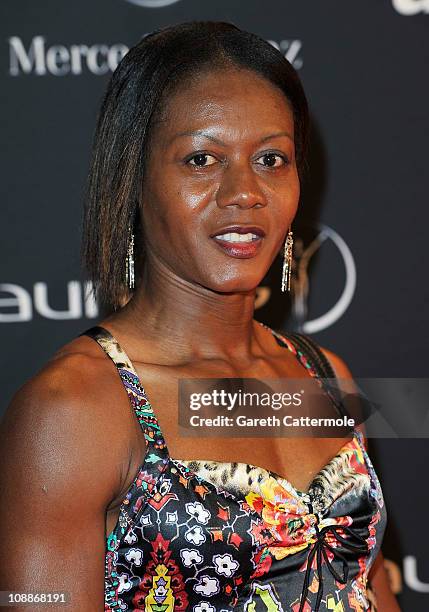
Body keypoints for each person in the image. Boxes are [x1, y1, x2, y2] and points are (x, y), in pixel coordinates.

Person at [0, 21, 400, 612]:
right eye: (201, 159)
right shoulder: (75, 409)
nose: (245, 192)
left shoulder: (322, 376)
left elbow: (366, 587)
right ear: (133, 181)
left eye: (271, 158)